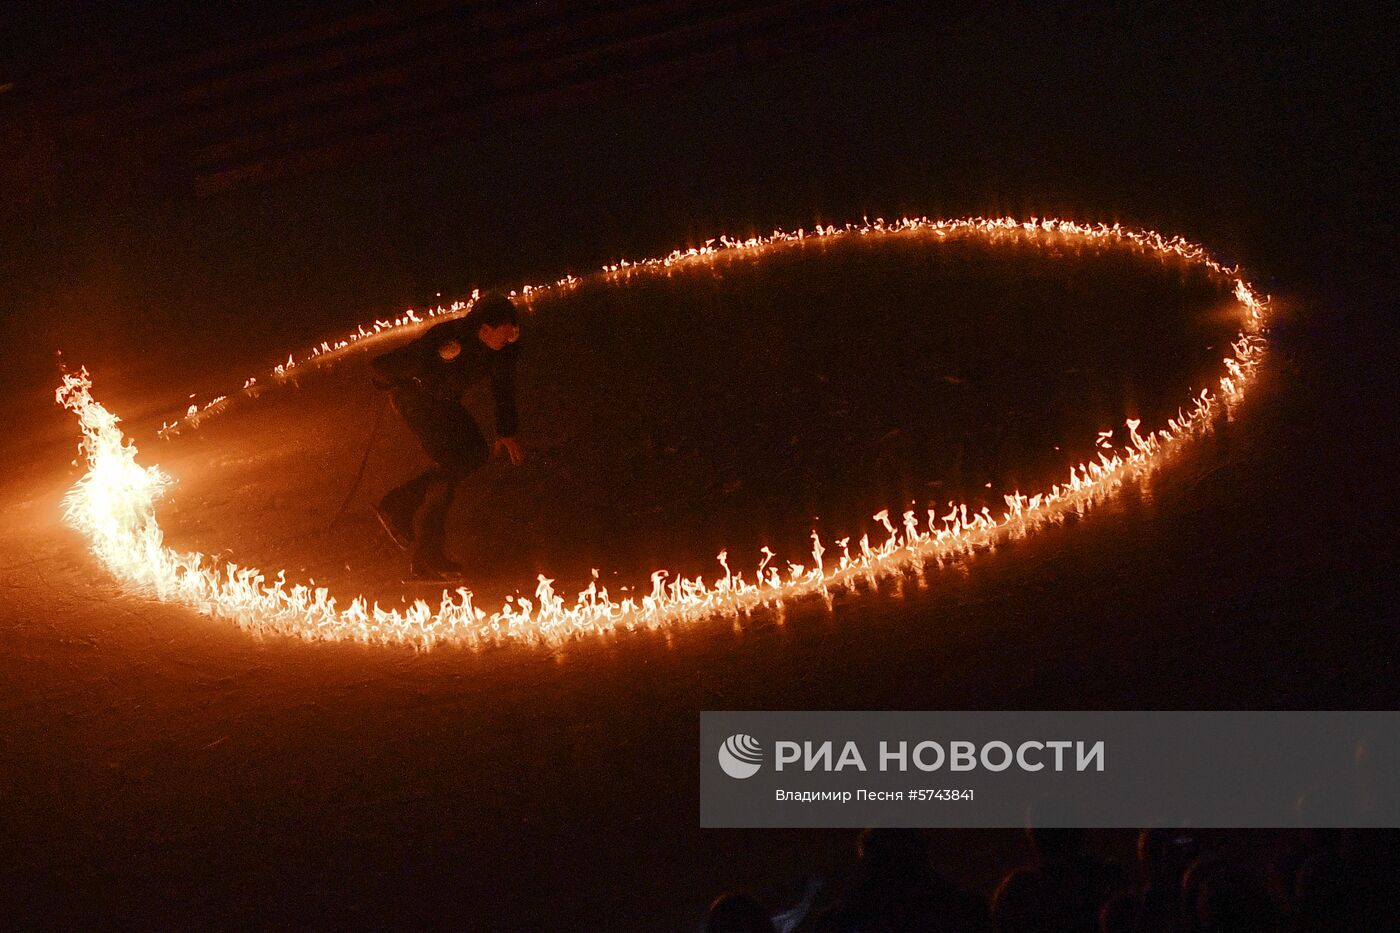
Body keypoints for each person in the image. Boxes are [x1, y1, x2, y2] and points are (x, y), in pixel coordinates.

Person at [369, 292, 523, 579]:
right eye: (506, 332)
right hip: (415, 399)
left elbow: (503, 387)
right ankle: (425, 552)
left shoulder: (501, 350)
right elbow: (396, 362)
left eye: (514, 331)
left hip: (444, 402)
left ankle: (399, 505)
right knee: (453, 465)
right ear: (485, 330)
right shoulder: (450, 340)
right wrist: (383, 379)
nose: (511, 338)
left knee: (474, 454)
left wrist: (506, 431)